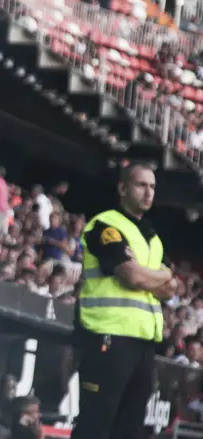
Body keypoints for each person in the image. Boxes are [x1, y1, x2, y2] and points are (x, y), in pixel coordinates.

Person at [71, 162, 177, 439]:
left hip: (142, 345)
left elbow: (172, 288)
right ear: (122, 188)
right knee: (95, 425)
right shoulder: (105, 225)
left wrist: (148, 275)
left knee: (129, 430)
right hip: (107, 338)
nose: (148, 192)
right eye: (141, 185)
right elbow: (132, 277)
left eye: (152, 186)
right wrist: (156, 276)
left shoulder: (152, 237)